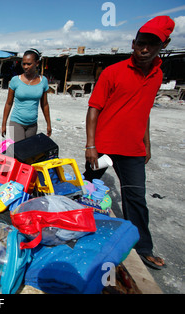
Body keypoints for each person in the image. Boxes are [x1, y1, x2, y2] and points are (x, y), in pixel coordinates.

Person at [83, 16, 175, 270]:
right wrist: (91, 146)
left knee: (135, 198)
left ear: (163, 46)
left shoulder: (157, 75)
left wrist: (147, 143)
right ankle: (79, 230)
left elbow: (144, 111)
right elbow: (93, 109)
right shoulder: (113, 72)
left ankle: (143, 248)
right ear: (133, 43)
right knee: (88, 190)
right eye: (141, 44)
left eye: (151, 46)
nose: (144, 50)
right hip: (102, 146)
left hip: (133, 148)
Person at [1, 49, 51, 142]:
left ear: (37, 63)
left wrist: (48, 124)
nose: (25, 67)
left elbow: (44, 105)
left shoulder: (43, 81)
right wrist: (3, 124)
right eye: (23, 64)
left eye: (29, 64)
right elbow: (8, 103)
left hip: (32, 125)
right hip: (17, 122)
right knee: (20, 151)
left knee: (29, 152)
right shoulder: (15, 80)